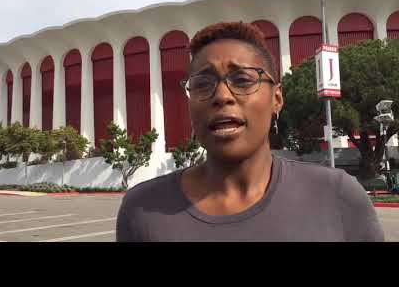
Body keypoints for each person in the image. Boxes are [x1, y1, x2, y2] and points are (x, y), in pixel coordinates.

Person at [116, 21, 385, 242]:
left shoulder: (337, 196)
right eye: (202, 84)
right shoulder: (142, 209)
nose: (221, 96)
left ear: (277, 99)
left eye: (243, 80)